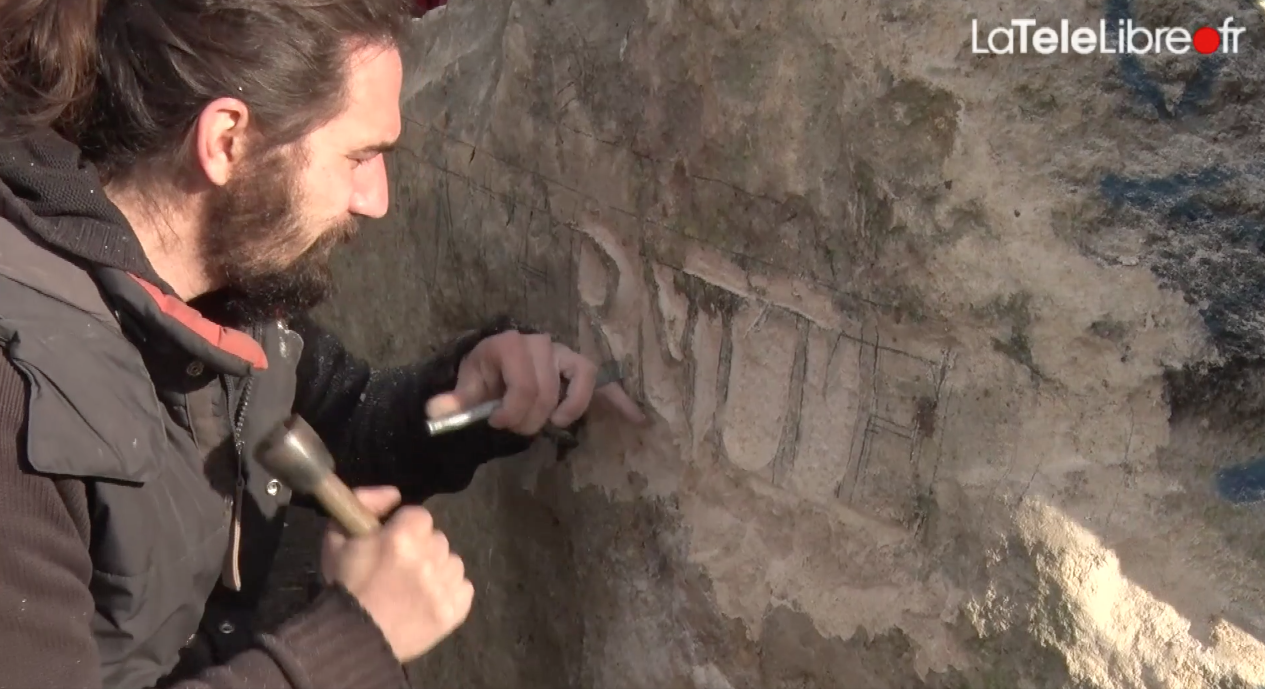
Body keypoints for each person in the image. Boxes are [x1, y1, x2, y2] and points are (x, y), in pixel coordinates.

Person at [0, 1, 645, 688]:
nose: (376, 199)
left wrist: (466, 400)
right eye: (359, 156)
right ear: (226, 141)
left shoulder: (222, 294)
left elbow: (334, 426)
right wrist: (351, 642)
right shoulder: (17, 399)